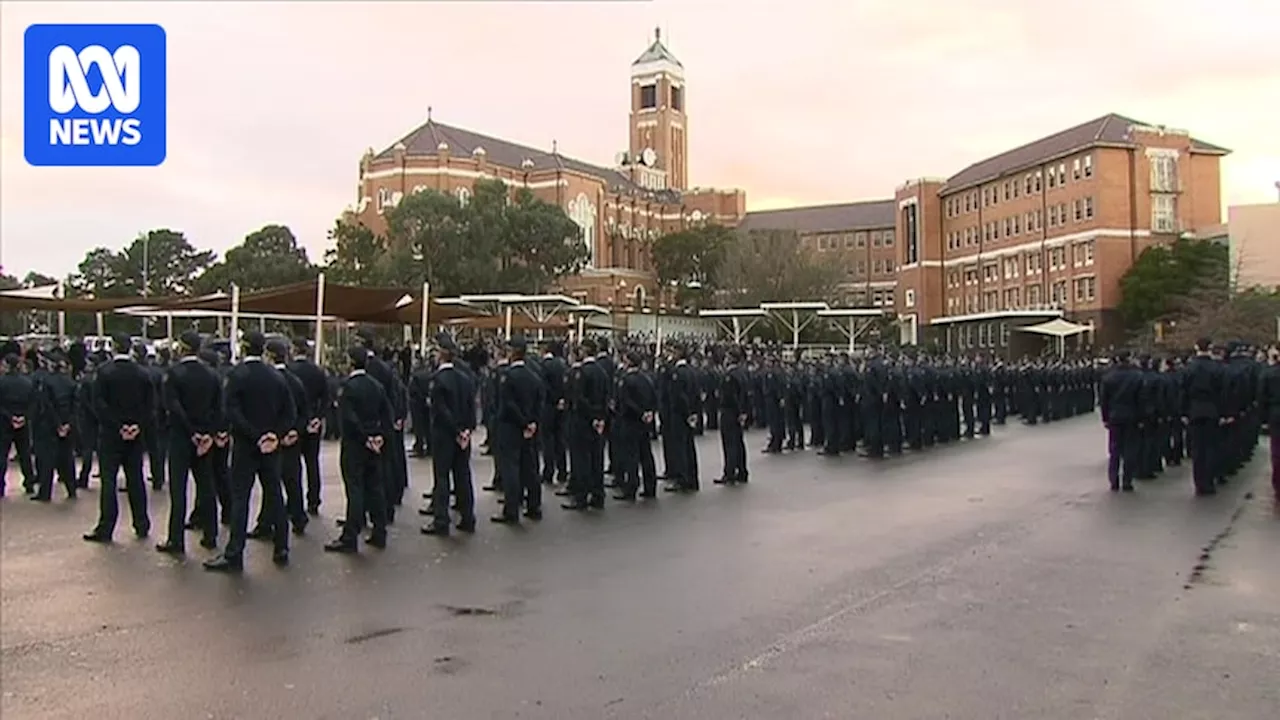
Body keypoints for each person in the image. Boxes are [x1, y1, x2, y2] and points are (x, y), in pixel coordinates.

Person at [204, 331, 296, 572]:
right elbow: (290, 412)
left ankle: (235, 552)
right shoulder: (276, 376)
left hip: (246, 445)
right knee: (274, 494)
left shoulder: (237, 375)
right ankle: (282, 546)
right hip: (271, 445)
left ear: (244, 348)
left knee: (240, 498)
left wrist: (253, 435)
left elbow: (231, 409)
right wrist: (273, 434)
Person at [156, 331, 222, 555]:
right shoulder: (212, 375)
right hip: (205, 439)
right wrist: (207, 433)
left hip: (181, 438)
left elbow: (173, 407)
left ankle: (176, 539)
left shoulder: (173, 374)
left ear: (182, 348)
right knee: (206, 486)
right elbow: (218, 408)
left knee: (179, 489)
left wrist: (191, 432)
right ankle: (211, 534)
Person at [83, 335, 153, 542]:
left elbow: (99, 404)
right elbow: (150, 405)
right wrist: (136, 425)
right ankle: (141, 523)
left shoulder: (104, 372)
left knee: (109, 481)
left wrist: (118, 425)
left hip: (111, 435)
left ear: (113, 347)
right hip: (135, 434)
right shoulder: (142, 373)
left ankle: (106, 527)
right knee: (136, 479)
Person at [325, 346, 391, 553]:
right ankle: (380, 531)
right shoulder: (376, 386)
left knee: (355, 489)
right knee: (375, 487)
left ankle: (350, 536)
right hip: (374, 442)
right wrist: (379, 436)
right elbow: (387, 413)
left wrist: (364, 437)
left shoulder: (348, 387)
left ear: (350, 362)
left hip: (355, 444)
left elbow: (349, 418)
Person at [421, 333, 478, 536]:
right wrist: (466, 430)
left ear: (441, 354)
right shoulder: (465, 379)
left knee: (442, 477)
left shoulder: (437, 380)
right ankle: (468, 516)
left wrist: (454, 430)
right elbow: (472, 407)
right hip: (463, 435)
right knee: (463, 475)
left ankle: (441, 520)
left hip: (444, 435)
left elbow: (441, 410)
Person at [493, 335, 545, 523]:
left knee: (511, 469)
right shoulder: (534, 376)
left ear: (513, 353)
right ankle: (534, 506)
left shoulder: (507, 376)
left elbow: (508, 404)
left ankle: (511, 509)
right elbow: (540, 402)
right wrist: (532, 423)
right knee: (530, 468)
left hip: (511, 427)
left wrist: (523, 422)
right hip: (530, 428)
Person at [287, 337, 329, 516]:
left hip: (294, 422)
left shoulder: (289, 371)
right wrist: (318, 417)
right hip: (313, 422)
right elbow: (326, 397)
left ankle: (294, 501)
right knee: (312, 463)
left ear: (294, 350)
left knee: (293, 465)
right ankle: (314, 500)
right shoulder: (318, 371)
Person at [31, 350, 77, 502]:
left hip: (49, 426)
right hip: (67, 424)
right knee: (67, 458)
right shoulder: (70, 382)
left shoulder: (46, 382)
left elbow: (47, 405)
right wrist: (68, 424)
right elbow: (75, 406)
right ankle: (71, 489)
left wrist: (57, 424)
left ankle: (45, 493)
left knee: (47, 460)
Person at [1182, 338, 1225, 496]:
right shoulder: (1217, 368)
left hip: (1194, 410)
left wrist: (1184, 412)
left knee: (1197, 448)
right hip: (1212, 410)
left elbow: (1183, 392)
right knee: (1211, 447)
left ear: (1196, 347)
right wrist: (1223, 412)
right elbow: (1222, 392)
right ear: (1211, 348)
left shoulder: (1188, 369)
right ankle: (1209, 480)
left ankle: (1199, 482)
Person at [613, 350, 658, 501]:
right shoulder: (647, 378)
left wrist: (639, 413)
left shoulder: (625, 380)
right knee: (646, 455)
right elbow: (653, 396)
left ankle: (631, 487)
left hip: (630, 421)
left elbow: (625, 401)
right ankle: (650, 486)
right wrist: (649, 412)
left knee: (631, 456)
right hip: (645, 422)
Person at [1100, 350, 1142, 493]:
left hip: (1114, 416)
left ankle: (1114, 480)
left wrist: (1105, 418)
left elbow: (1104, 401)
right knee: (1130, 449)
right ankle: (1127, 480)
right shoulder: (1137, 377)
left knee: (1115, 449)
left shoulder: (1109, 378)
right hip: (1132, 416)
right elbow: (1141, 399)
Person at [0, 354, 36, 496]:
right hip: (23, 422)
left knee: (2, 454)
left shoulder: (1, 382)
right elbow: (33, 403)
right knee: (25, 454)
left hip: (4, 422)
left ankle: (1, 486)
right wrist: (24, 417)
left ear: (8, 366)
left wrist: (10, 417)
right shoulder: (28, 382)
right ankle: (29, 483)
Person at [714, 347, 750, 485]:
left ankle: (729, 473)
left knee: (729, 443)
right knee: (739, 442)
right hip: (739, 412)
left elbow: (732, 396)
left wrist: (739, 412)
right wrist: (744, 412)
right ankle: (742, 471)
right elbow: (745, 394)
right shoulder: (743, 373)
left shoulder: (730, 375)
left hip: (729, 412)